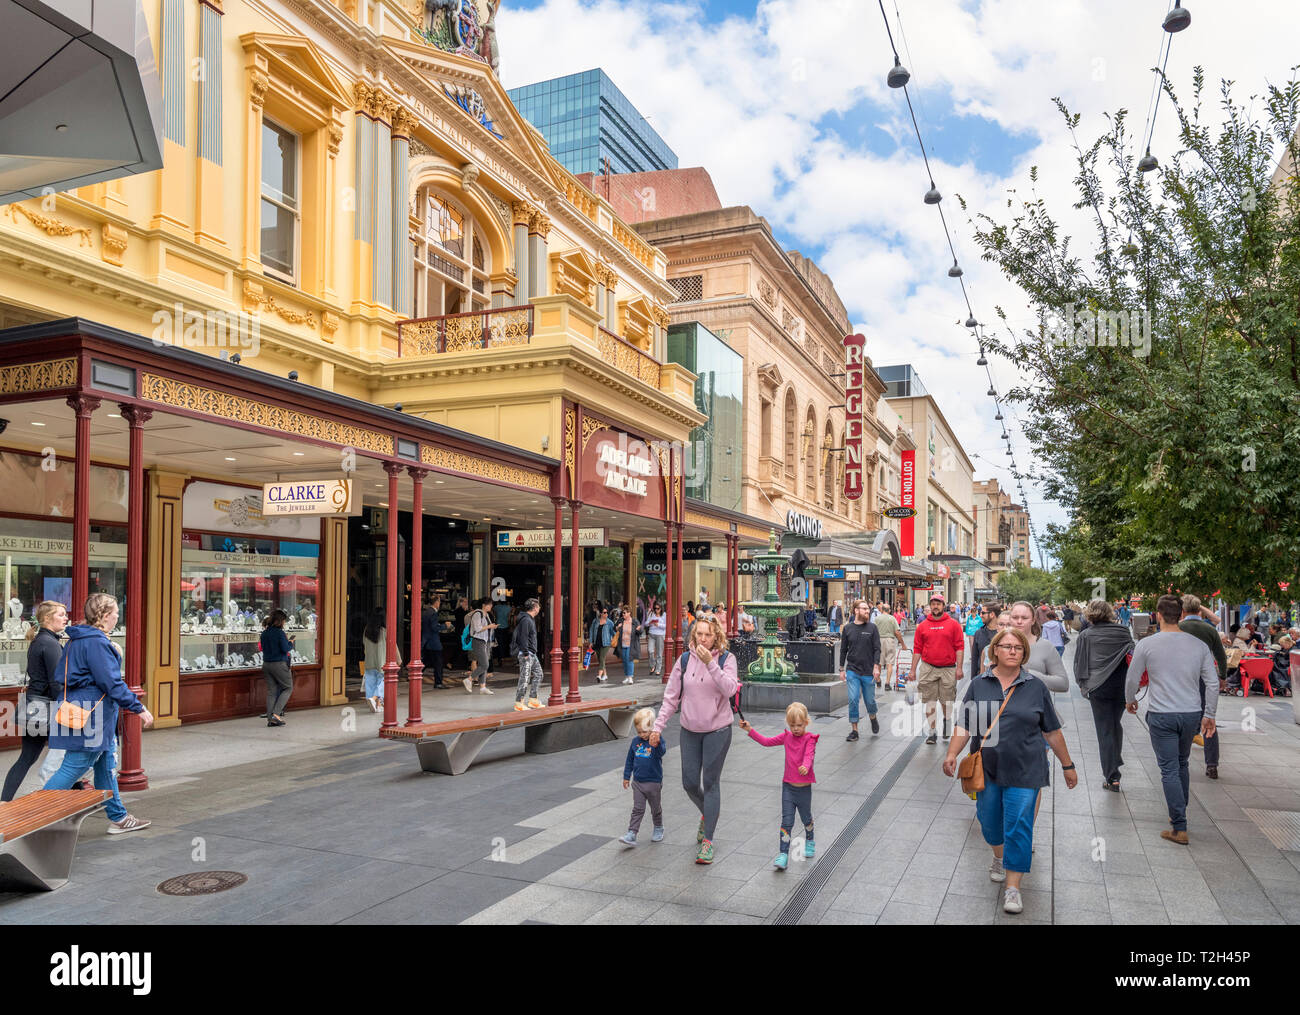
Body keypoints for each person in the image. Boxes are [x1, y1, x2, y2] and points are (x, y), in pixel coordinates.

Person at [943, 627, 1077, 914]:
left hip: (1026, 769)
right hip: (988, 769)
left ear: (1023, 653)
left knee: (1018, 825)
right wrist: (952, 753)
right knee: (990, 824)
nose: (1013, 651)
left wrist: (1068, 765)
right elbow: (966, 725)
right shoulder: (980, 684)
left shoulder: (1035, 686)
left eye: (1018, 647)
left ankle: (1013, 887)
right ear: (995, 651)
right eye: (1006, 646)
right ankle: (998, 855)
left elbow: (1052, 731)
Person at [44, 593, 155, 834]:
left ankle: (119, 818)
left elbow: (64, 675)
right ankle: (37, 814)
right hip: (92, 716)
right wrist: (139, 708)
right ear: (105, 616)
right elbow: (111, 683)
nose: (117, 615)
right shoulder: (96, 642)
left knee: (105, 765)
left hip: (85, 711)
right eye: (115, 612)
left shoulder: (81, 638)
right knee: (74, 765)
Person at [1125, 594, 1218, 845]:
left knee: (1168, 769)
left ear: (1157, 615)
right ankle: (1179, 813)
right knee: (1182, 763)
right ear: (1181, 615)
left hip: (1161, 714)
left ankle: (1179, 826)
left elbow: (1132, 677)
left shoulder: (1147, 644)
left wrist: (1130, 699)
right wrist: (1209, 714)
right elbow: (1212, 682)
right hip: (1191, 714)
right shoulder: (1199, 645)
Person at [650, 613, 739, 865]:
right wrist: (658, 727)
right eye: (698, 633)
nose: (702, 638)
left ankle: (708, 841)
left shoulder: (727, 659)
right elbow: (671, 697)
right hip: (689, 729)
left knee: (710, 784)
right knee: (689, 783)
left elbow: (730, 689)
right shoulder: (685, 659)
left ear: (716, 636)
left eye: (707, 634)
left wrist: (711, 662)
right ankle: (707, 814)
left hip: (718, 730)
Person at [739, 702, 818, 871]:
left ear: (806, 722)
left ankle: (810, 839)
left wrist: (806, 765)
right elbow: (766, 742)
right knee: (786, 821)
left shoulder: (809, 739)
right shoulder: (786, 737)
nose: (796, 729)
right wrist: (749, 730)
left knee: (806, 818)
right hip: (788, 787)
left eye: (799, 725)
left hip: (803, 789)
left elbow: (809, 755)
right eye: (792, 725)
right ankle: (783, 854)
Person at [2, 601, 66, 801]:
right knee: (70, 759)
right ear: (47, 619)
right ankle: (69, 801)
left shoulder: (40, 640)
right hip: (48, 708)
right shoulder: (50, 643)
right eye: (61, 614)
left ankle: (4, 802)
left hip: (35, 707)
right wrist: (68, 708)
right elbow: (56, 682)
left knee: (27, 758)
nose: (66, 618)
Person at [1072, 599, 1135, 791]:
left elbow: (1079, 664)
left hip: (1098, 687)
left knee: (1105, 729)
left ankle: (1112, 776)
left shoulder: (1086, 635)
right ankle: (1114, 763)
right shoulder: (1124, 632)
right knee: (1114, 724)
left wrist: (1083, 686)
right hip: (1121, 686)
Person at [1178, 594, 1228, 777]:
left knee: (1182, 717)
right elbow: (1221, 656)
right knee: (1208, 718)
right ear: (1199, 610)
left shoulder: (1178, 628)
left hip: (1183, 679)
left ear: (1182, 610)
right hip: (1206, 678)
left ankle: (1179, 759)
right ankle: (1212, 764)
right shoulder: (1209, 630)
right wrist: (1222, 676)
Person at [908, 592, 964, 744]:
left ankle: (947, 720)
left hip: (948, 668)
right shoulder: (923, 626)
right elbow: (917, 648)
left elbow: (959, 646)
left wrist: (959, 668)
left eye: (938, 603)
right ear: (930, 606)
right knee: (930, 701)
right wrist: (912, 670)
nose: (935, 606)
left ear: (943, 605)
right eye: (933, 603)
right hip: (928, 667)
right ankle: (932, 732)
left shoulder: (953, 624)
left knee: (947, 701)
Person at [620, 707, 666, 846]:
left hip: (653, 782)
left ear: (652, 728)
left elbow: (661, 753)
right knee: (637, 809)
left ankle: (658, 827)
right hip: (638, 782)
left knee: (655, 808)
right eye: (639, 731)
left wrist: (656, 743)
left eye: (645, 731)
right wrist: (627, 776)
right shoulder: (635, 742)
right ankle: (632, 833)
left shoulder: (657, 740)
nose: (642, 734)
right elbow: (629, 760)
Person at [840, 599, 882, 741]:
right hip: (852, 670)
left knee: (869, 701)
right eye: (864, 609)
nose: (867, 611)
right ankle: (855, 731)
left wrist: (876, 667)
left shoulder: (872, 628)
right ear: (856, 610)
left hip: (868, 671)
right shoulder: (847, 628)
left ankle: (873, 716)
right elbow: (843, 650)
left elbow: (877, 649)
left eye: (868, 609)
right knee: (853, 699)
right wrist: (841, 669)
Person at [259, 609, 294, 727]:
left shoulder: (264, 633)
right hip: (279, 664)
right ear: (280, 621)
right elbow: (285, 648)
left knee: (271, 691)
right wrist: (291, 643)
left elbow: (263, 648)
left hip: (266, 664)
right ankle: (276, 715)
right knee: (288, 688)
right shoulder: (279, 633)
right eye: (284, 620)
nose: (284, 623)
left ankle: (270, 718)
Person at [511, 598, 544, 711]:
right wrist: (525, 652)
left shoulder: (529, 619)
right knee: (524, 678)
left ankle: (533, 699)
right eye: (538, 606)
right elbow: (522, 637)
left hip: (531, 653)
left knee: (539, 674)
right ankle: (519, 703)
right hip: (526, 653)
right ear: (535, 607)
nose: (539, 608)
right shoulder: (526, 620)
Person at [361, 611, 398, 712]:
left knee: (370, 682)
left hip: (369, 661)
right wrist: (398, 660)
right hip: (381, 662)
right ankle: (374, 699)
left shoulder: (366, 631)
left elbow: (364, 644)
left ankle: (375, 704)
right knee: (382, 681)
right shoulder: (384, 632)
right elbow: (393, 647)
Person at [464, 597, 496, 694]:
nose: (491, 606)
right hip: (478, 641)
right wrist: (490, 626)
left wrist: (492, 627)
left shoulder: (486, 615)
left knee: (484, 664)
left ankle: (482, 687)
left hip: (485, 641)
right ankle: (469, 679)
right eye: (489, 604)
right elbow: (477, 629)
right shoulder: (478, 614)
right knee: (485, 664)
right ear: (483, 605)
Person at [874, 602, 907, 690]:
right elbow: (897, 632)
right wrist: (902, 644)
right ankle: (887, 683)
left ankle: (878, 680)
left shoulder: (877, 619)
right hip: (889, 640)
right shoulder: (892, 618)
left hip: (879, 641)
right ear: (889, 610)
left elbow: (873, 631)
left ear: (882, 610)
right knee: (889, 663)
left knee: (879, 662)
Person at [968, 604, 1000, 684]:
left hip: (1000, 679)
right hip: (981, 677)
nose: (980, 615)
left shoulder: (1003, 634)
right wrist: (973, 679)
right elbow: (974, 658)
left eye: (983, 613)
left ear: (992, 614)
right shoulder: (978, 633)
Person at [421, 594, 446, 688]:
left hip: (426, 641)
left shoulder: (426, 612)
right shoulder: (433, 613)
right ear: (436, 602)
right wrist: (445, 626)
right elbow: (434, 627)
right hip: (434, 642)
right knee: (438, 663)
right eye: (439, 601)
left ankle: (413, 674)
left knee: (426, 661)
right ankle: (438, 683)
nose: (440, 603)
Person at [615, 602, 642, 686]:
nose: (623, 614)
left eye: (624, 612)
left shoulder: (634, 621)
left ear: (629, 613)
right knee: (624, 660)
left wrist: (638, 630)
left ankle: (630, 677)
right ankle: (627, 676)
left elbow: (640, 631)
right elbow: (614, 628)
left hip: (631, 644)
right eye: (622, 612)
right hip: (622, 643)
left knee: (629, 659)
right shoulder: (621, 621)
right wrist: (617, 627)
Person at [587, 607, 614, 684]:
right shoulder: (595, 621)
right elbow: (591, 631)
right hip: (597, 643)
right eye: (604, 612)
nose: (606, 614)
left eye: (607, 612)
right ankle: (605, 675)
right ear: (601, 613)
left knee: (602, 658)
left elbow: (613, 632)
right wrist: (591, 642)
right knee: (600, 660)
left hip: (606, 643)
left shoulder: (609, 622)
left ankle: (599, 675)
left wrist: (615, 639)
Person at [646, 605, 667, 675]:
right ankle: (653, 665)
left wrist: (658, 624)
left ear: (661, 608)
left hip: (660, 635)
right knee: (650, 651)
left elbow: (666, 626)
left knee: (659, 653)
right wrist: (649, 623)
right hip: (651, 634)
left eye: (658, 608)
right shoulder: (651, 614)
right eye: (655, 608)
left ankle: (658, 669)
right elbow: (646, 623)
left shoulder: (664, 615)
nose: (656, 610)